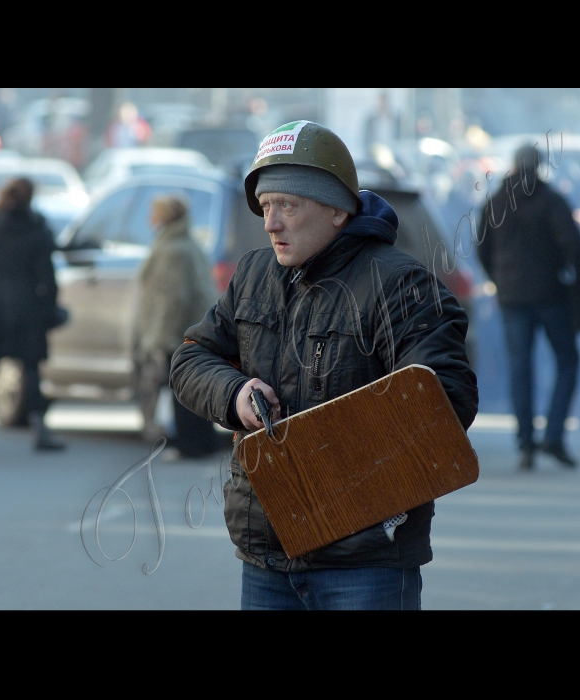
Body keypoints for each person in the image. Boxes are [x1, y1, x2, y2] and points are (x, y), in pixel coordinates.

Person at [170, 121, 478, 610]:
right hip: (266, 557)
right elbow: (191, 357)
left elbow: (444, 398)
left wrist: (331, 463)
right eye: (266, 206)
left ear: (338, 210)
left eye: (288, 206)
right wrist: (234, 393)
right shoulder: (253, 275)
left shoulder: (401, 286)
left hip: (367, 559)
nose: (271, 223)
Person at [478, 144, 580, 470]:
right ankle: (553, 436)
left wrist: (499, 281)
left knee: (520, 369)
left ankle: (526, 444)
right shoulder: (552, 201)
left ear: (514, 166)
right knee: (568, 361)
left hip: (512, 298)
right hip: (551, 296)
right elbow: (573, 245)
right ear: (539, 167)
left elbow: (482, 249)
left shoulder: (496, 202)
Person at [134, 195, 230, 461]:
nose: (149, 218)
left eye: (154, 213)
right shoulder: (185, 242)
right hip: (194, 329)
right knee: (193, 386)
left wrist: (159, 339)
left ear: (164, 217)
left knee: (181, 388)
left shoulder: (172, 249)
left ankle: (189, 444)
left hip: (179, 332)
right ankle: (202, 441)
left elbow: (171, 300)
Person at [0, 178, 65, 451]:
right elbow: (47, 276)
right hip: (29, 309)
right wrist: (49, 308)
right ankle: (39, 432)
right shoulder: (37, 229)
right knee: (32, 370)